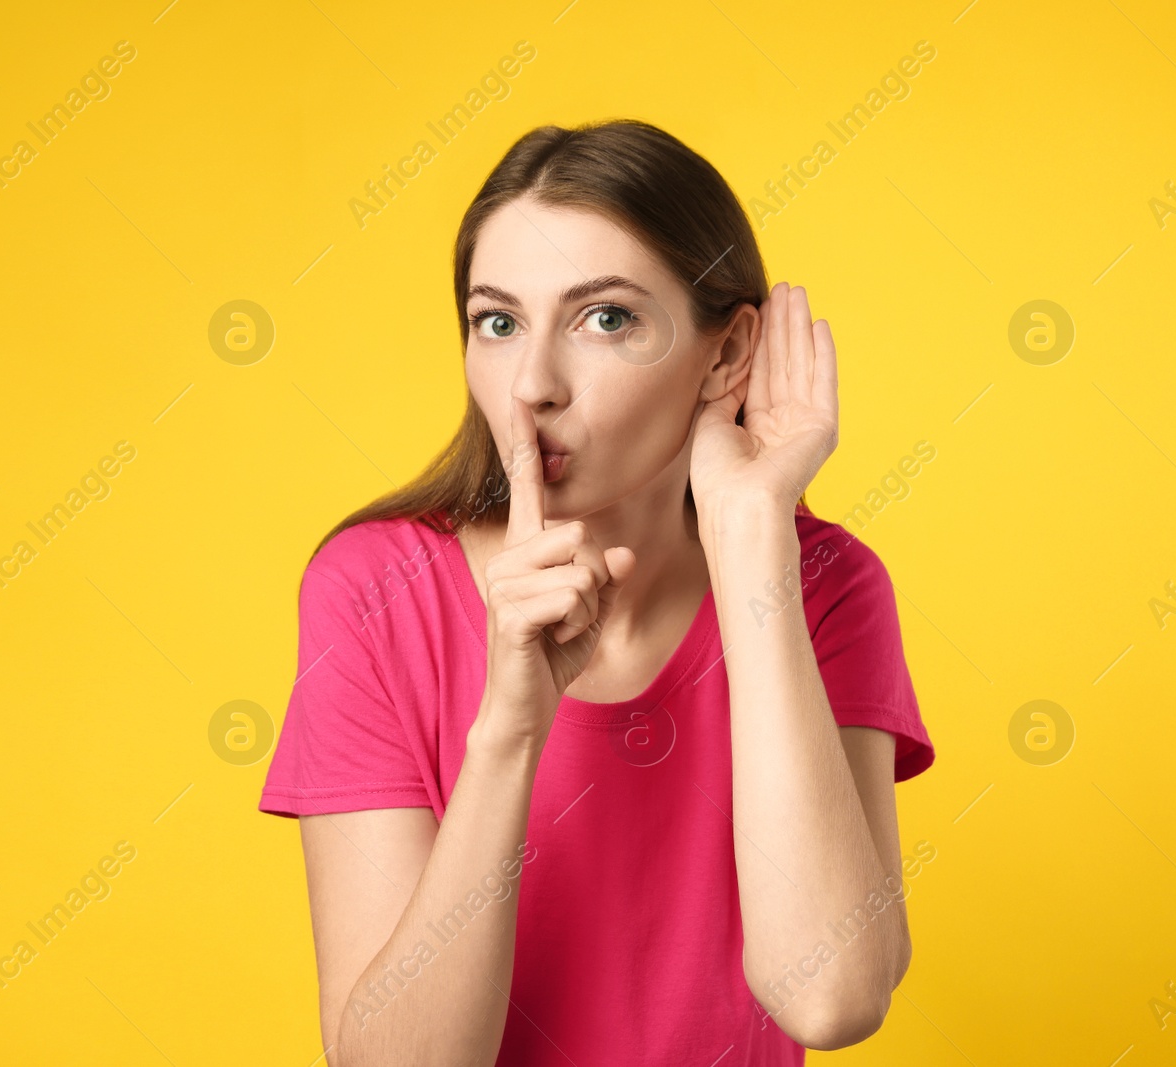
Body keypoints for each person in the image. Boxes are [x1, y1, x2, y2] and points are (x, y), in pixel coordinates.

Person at [258, 118, 936, 1066]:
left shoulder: (826, 587)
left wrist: (752, 543)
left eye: (604, 317)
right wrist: (509, 727)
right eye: (497, 322)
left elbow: (830, 997)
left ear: (728, 355)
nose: (531, 383)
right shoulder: (373, 591)